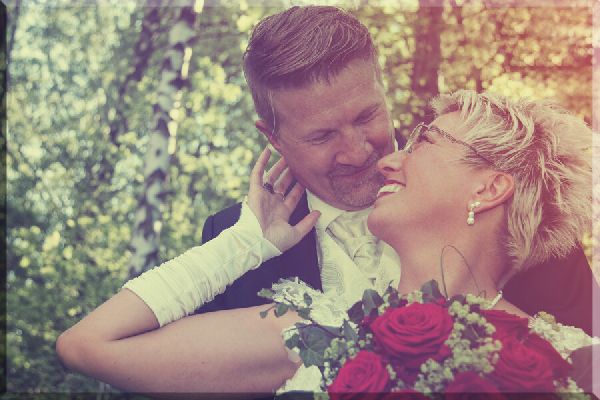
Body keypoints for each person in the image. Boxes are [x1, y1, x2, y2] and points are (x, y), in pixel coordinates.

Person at [56, 90, 596, 394]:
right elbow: (89, 345)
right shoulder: (309, 334)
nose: (387, 159)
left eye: (425, 142)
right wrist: (244, 243)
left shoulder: (577, 361)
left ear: (489, 187)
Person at [193, 5, 596, 333]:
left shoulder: (519, 209)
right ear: (274, 138)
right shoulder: (232, 241)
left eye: (367, 116)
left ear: (382, 92)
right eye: (322, 136)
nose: (357, 153)